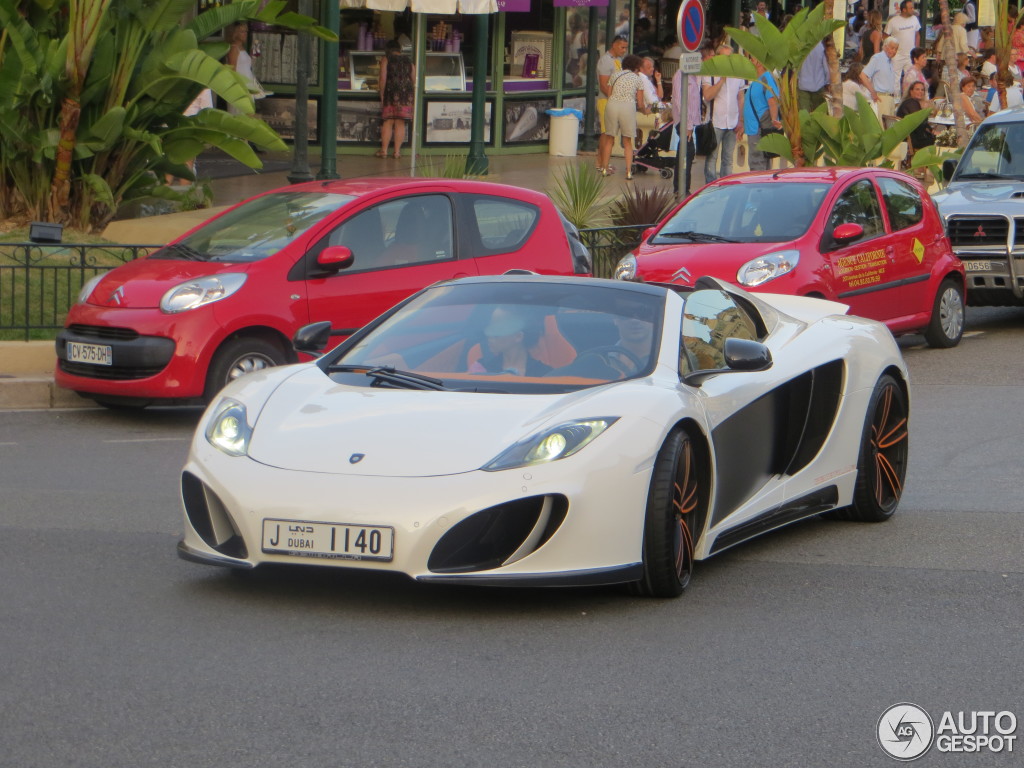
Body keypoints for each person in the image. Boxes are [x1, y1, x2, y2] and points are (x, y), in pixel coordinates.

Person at [597, 54, 650, 179]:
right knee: (627, 141)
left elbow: (609, 94)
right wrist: (645, 111)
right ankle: (628, 172)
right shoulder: (637, 79)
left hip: (612, 105)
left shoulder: (615, 75)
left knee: (609, 138)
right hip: (627, 106)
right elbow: (640, 102)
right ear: (636, 67)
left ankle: (604, 168)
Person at [702, 44, 744, 183]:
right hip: (715, 121)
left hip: (732, 121)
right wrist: (722, 80)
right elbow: (707, 95)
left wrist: (741, 120)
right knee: (712, 157)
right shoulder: (710, 74)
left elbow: (740, 97)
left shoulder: (738, 74)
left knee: (728, 158)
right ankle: (711, 186)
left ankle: (726, 185)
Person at [469, 307, 551, 377]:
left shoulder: (545, 375)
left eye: (497, 329)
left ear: (518, 336)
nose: (489, 334)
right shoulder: (481, 371)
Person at [740, 55, 781, 172]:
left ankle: (758, 189)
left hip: (759, 128)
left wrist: (774, 120)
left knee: (757, 162)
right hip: (753, 128)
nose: (750, 61)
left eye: (752, 58)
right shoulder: (757, 80)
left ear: (759, 62)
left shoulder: (766, 78)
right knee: (759, 161)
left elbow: (772, 100)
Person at [671, 51, 703, 195]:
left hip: (693, 121)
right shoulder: (680, 75)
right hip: (684, 122)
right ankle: (683, 188)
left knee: (685, 152)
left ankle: (680, 187)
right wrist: (688, 125)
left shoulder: (696, 76)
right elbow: (680, 101)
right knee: (687, 152)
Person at [596, 35, 628, 172]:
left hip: (616, 100)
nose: (624, 50)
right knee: (606, 133)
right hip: (606, 101)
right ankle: (602, 164)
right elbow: (604, 85)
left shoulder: (618, 60)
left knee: (610, 134)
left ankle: (602, 162)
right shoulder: (605, 61)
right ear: (614, 45)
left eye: (626, 47)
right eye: (622, 47)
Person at [377, 40, 414, 159]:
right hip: (405, 95)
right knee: (400, 122)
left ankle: (384, 151)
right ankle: (397, 152)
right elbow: (413, 78)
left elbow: (382, 78)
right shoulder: (408, 60)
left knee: (388, 121)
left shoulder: (386, 59)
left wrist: (382, 94)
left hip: (391, 92)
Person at [225, 21, 265, 116]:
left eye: (246, 31)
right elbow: (232, 69)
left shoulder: (242, 48)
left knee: (249, 113)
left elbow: (246, 65)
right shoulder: (234, 48)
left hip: (249, 84)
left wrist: (253, 54)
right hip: (241, 86)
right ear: (236, 33)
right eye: (242, 31)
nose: (245, 34)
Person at [861, 37, 901, 117]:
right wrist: (873, 92)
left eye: (896, 49)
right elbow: (863, 75)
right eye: (892, 48)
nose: (894, 51)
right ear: (885, 46)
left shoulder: (890, 62)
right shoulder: (878, 58)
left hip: (890, 98)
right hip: (882, 97)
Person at [884, 0, 920, 78]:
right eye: (911, 8)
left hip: (910, 55)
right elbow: (885, 36)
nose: (913, 10)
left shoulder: (915, 19)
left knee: (911, 78)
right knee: (895, 78)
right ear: (904, 9)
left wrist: (916, 50)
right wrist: (889, 51)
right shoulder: (893, 21)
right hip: (896, 55)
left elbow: (917, 35)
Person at [896, 81, 936, 151]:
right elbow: (920, 123)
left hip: (908, 137)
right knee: (940, 140)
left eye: (922, 90)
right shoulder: (911, 103)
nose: (920, 92)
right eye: (917, 89)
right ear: (911, 91)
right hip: (911, 140)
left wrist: (932, 130)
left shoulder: (911, 102)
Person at [798, 42, 829, 113]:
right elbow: (826, 69)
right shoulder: (820, 47)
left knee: (804, 113)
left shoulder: (801, 46)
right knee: (819, 113)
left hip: (803, 85)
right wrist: (827, 82)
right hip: (818, 85)